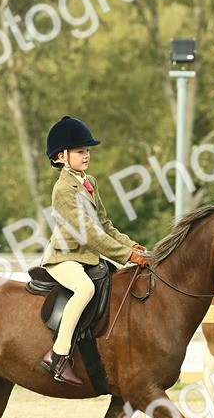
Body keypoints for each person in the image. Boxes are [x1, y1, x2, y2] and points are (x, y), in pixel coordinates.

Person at [40, 116, 149, 385]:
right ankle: (58, 355)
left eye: (87, 150)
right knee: (85, 289)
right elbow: (89, 234)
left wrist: (130, 244)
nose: (86, 155)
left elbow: (105, 225)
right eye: (80, 151)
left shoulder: (90, 182)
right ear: (61, 157)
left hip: (86, 257)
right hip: (64, 257)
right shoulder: (63, 189)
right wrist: (126, 257)